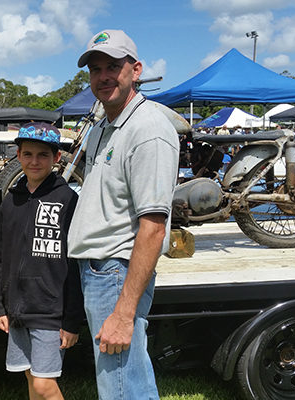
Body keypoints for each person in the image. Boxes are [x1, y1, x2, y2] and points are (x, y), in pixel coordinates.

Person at [69, 29, 179, 399]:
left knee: (121, 387)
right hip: (99, 270)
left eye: (113, 67)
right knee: (121, 381)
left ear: (136, 70)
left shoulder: (148, 130)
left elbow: (154, 227)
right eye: (95, 69)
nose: (103, 76)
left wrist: (123, 312)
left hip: (116, 271)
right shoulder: (104, 124)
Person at [0, 122, 84, 400]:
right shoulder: (10, 201)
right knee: (31, 379)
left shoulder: (67, 200)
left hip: (50, 311)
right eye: (28, 154)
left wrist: (71, 320)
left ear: (57, 158)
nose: (35, 161)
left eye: (43, 155)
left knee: (45, 385)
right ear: (18, 156)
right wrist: (0, 307)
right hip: (17, 311)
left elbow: (76, 265)